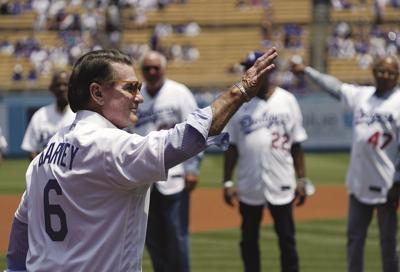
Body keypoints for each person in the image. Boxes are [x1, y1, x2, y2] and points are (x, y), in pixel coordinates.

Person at [6, 48, 278, 271]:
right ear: (97, 93)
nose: (138, 97)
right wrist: (240, 91)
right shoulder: (109, 146)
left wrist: (15, 269)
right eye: (130, 88)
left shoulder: (46, 153)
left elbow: (21, 224)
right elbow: (186, 139)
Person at [291, 54, 400, 272]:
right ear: (373, 72)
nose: (384, 75)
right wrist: (308, 71)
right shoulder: (363, 95)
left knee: (388, 243)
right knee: (354, 240)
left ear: (397, 76)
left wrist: (398, 182)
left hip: (387, 185)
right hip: (358, 183)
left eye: (390, 72)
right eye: (380, 71)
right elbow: (335, 87)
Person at [223, 51, 311, 272]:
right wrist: (227, 182)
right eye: (247, 67)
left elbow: (297, 144)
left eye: (253, 67)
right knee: (248, 240)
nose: (248, 72)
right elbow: (231, 147)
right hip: (249, 181)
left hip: (281, 179)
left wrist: (302, 179)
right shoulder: (239, 103)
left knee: (287, 239)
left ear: (268, 70)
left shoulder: (287, 100)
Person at [132, 50, 202, 272]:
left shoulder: (179, 93)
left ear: (164, 69)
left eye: (156, 68)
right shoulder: (136, 95)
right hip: (145, 178)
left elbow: (196, 131)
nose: (152, 72)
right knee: (152, 239)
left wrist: (192, 167)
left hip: (175, 175)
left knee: (177, 236)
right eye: (147, 68)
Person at [21, 70, 75, 160]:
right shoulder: (40, 116)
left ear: (71, 88)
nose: (61, 88)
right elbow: (31, 149)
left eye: (65, 85)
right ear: (51, 89)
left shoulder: (79, 115)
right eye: (58, 85)